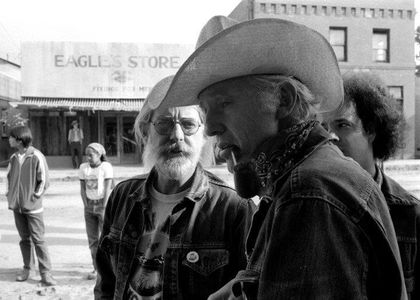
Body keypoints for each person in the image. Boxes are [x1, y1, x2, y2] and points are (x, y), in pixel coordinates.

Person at [158, 16, 407, 299]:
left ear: (284, 100)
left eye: (224, 103)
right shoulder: (307, 176)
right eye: (205, 110)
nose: (211, 126)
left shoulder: (308, 192)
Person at [94, 75, 255, 300]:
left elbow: (247, 290)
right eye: (164, 123)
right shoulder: (122, 196)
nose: (177, 136)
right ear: (146, 131)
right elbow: (106, 284)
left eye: (188, 125)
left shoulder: (233, 208)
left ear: (204, 134)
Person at [323, 72, 420, 299]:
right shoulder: (312, 204)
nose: (330, 136)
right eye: (324, 127)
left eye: (342, 125)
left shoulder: (410, 214)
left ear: (372, 129)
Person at [6, 125, 56, 286]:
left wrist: (34, 197)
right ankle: (28, 268)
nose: (9, 140)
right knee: (24, 239)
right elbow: (8, 178)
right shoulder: (14, 158)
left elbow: (44, 180)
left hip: (33, 207)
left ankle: (46, 273)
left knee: (39, 239)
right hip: (17, 207)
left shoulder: (36, 156)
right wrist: (10, 195)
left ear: (20, 139)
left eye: (12, 137)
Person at [79, 142, 114, 281]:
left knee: (106, 238)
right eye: (86, 154)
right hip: (89, 207)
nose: (88, 157)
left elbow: (107, 189)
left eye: (91, 155)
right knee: (93, 241)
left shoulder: (106, 167)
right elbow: (82, 188)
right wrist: (86, 205)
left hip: (102, 206)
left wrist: (104, 206)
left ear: (100, 155)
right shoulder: (83, 168)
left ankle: (110, 268)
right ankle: (97, 268)